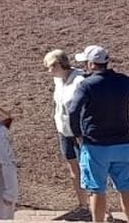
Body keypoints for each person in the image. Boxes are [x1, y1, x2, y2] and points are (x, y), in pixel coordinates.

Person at [69, 45, 129, 223]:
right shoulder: (125, 81)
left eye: (85, 63)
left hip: (95, 146)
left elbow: (73, 110)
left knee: (97, 190)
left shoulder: (86, 85)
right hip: (122, 145)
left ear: (92, 65)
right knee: (126, 188)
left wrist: (77, 134)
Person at [45, 49, 88, 216]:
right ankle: (83, 206)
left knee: (87, 169)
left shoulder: (80, 80)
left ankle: (102, 210)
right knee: (73, 169)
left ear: (58, 65)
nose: (48, 71)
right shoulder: (58, 79)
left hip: (79, 133)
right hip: (63, 131)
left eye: (49, 67)